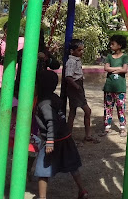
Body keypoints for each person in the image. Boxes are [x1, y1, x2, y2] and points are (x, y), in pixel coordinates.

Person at [34, 69, 88, 199]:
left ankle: (42, 197)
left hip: (53, 141)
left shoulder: (44, 103)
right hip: (65, 137)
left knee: (43, 170)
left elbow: (51, 121)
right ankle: (82, 190)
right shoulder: (54, 97)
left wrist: (50, 141)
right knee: (72, 166)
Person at [65, 39, 98, 143]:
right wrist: (77, 87)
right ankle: (85, 135)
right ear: (72, 51)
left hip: (78, 86)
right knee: (87, 110)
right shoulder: (71, 62)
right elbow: (68, 77)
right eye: (79, 50)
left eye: (82, 50)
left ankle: (70, 135)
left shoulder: (77, 60)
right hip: (75, 87)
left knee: (73, 112)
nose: (81, 52)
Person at [101, 34, 128, 137]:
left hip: (120, 88)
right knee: (108, 107)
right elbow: (106, 68)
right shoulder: (109, 56)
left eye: (113, 44)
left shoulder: (124, 56)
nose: (111, 46)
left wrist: (113, 69)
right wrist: (118, 69)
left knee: (121, 107)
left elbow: (125, 69)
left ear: (120, 45)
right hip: (109, 87)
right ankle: (107, 127)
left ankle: (122, 127)